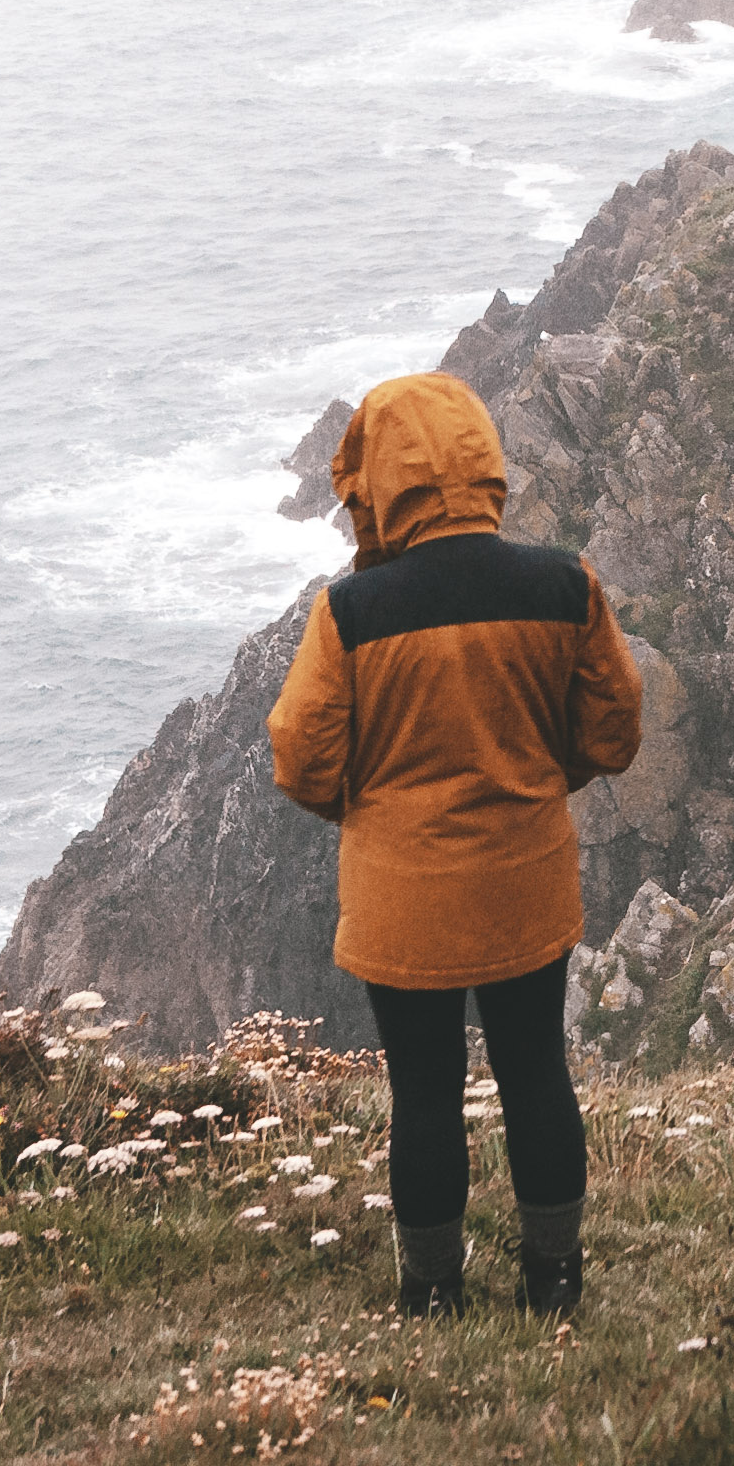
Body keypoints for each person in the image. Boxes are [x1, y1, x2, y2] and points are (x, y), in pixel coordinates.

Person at [266, 370, 643, 1317]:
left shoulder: (351, 614)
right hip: (525, 875)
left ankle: (433, 1291)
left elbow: (301, 755)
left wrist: (370, 810)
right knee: (535, 1072)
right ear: (481, 463)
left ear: (381, 479)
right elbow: (615, 728)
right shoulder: (564, 586)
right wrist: (542, 777)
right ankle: (554, 1279)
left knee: (424, 1091)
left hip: (403, 896)